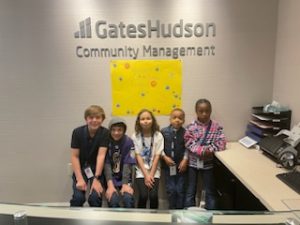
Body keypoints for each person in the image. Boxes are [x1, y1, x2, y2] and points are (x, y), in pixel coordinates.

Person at [184, 99, 226, 209]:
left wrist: (209, 150)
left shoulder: (216, 126)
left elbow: (221, 143)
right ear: (196, 112)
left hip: (208, 164)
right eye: (201, 111)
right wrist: (200, 151)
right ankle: (189, 216)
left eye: (207, 111)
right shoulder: (190, 127)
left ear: (211, 111)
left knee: (210, 191)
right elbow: (188, 142)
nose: (204, 114)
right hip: (193, 164)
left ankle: (211, 216)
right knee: (190, 190)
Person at [70, 105, 109, 207]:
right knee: (78, 198)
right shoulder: (77, 132)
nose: (94, 120)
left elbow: (101, 156)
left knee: (95, 198)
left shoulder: (105, 133)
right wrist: (79, 178)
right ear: (86, 119)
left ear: (102, 119)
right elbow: (75, 156)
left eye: (98, 117)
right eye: (91, 117)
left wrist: (96, 179)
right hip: (81, 169)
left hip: (97, 170)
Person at [132, 109, 164, 209]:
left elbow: (157, 156)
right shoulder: (135, 136)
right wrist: (146, 175)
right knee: (143, 196)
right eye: (142, 119)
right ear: (138, 121)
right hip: (141, 171)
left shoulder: (158, 135)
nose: (145, 121)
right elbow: (138, 156)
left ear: (153, 120)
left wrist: (151, 175)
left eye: (148, 118)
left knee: (154, 196)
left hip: (155, 171)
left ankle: (154, 218)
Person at [104, 117, 136, 208]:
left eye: (119, 130)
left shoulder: (129, 142)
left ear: (124, 130)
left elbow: (128, 164)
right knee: (113, 199)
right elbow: (106, 165)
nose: (116, 133)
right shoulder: (106, 141)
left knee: (127, 199)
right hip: (111, 177)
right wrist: (110, 185)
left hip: (125, 176)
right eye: (113, 130)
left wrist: (125, 184)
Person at [161, 108, 188, 209]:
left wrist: (185, 160)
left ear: (184, 120)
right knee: (171, 190)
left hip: (182, 166)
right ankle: (172, 210)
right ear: (170, 119)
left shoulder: (186, 133)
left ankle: (180, 211)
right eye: (174, 117)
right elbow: (159, 147)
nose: (177, 120)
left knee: (180, 190)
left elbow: (188, 148)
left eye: (180, 118)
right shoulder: (163, 132)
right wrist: (164, 157)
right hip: (168, 166)